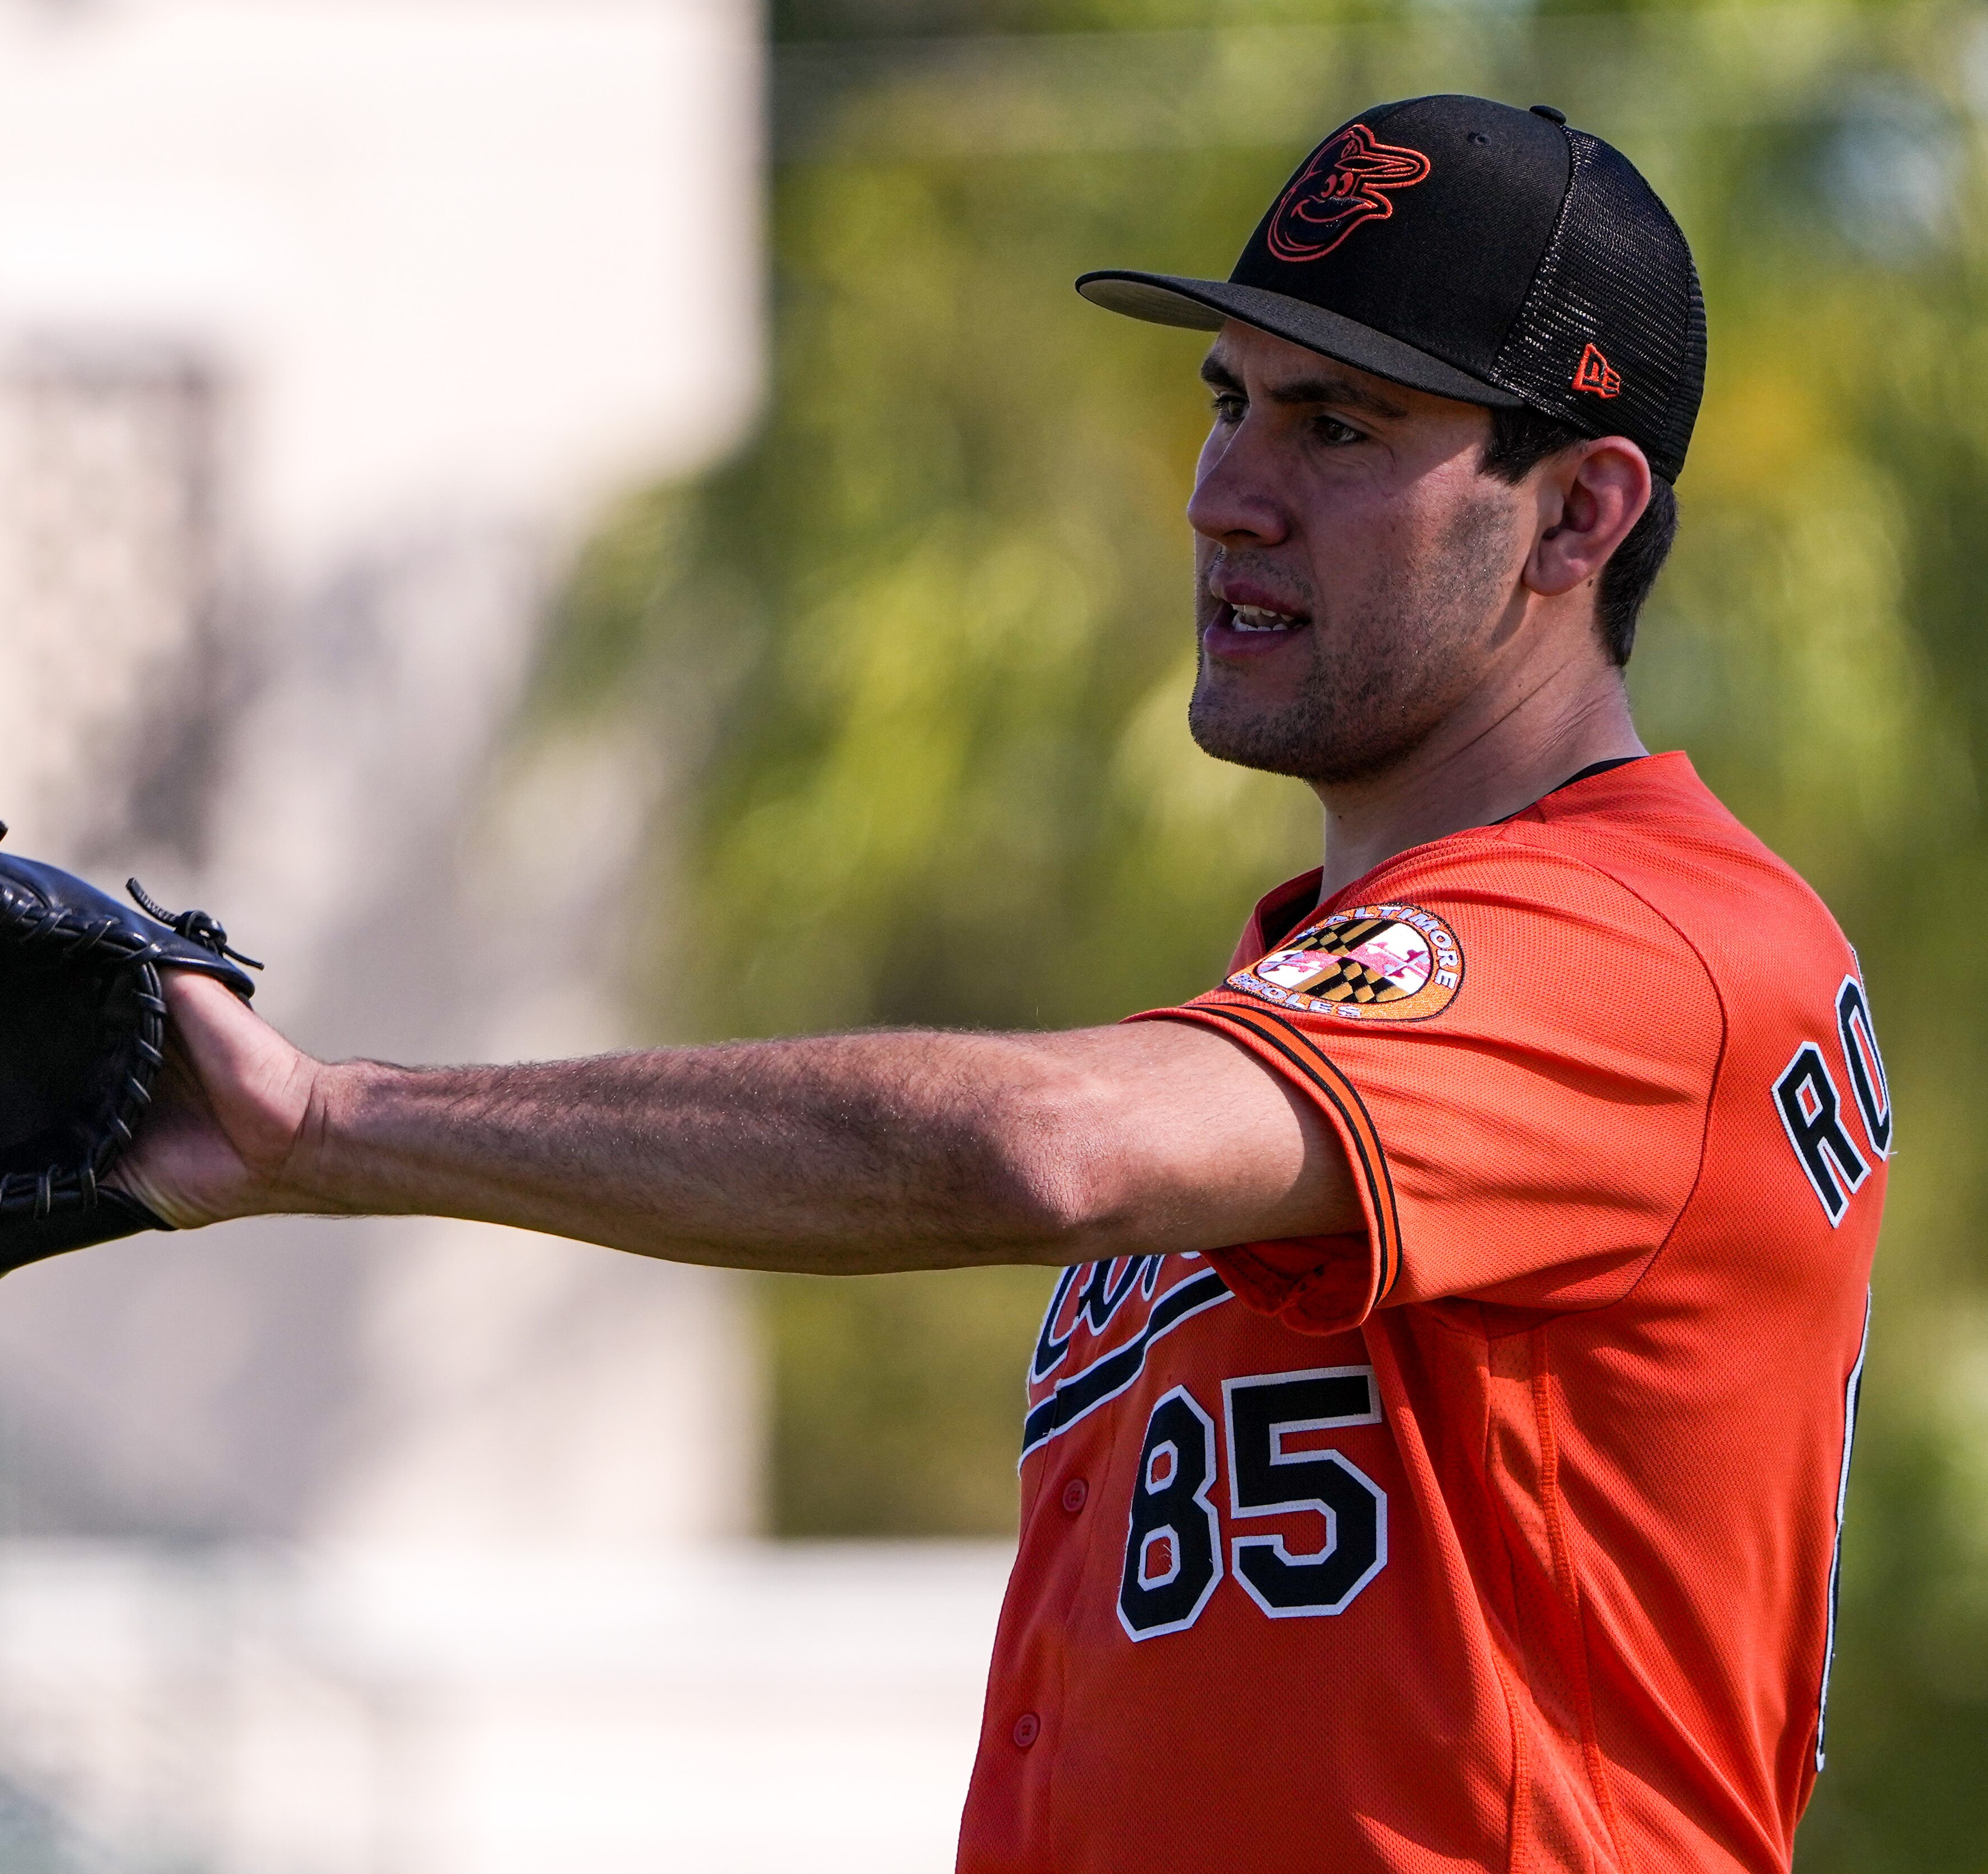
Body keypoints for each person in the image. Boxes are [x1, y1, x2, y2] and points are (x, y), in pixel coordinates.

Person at [116, 96, 1886, 1873]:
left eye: (1340, 426)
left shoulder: (1650, 940)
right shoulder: (1330, 1000)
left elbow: (1034, 1148)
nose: (1226, 495)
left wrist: (333, 1126)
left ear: (1581, 513)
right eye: (1230, 402)